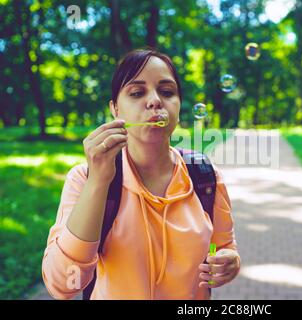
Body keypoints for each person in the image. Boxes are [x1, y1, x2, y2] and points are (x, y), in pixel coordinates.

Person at [42, 48, 241, 300]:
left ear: (178, 107)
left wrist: (229, 262)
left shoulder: (205, 176)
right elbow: (63, 286)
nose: (155, 100)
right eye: (137, 92)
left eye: (167, 92)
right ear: (115, 109)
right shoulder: (84, 179)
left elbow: (223, 247)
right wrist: (98, 183)